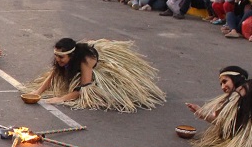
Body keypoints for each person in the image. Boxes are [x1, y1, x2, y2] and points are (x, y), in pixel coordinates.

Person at [27, 37, 165, 112]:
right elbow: (53, 75)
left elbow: (84, 89)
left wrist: (61, 98)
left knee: (89, 85)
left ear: (72, 55)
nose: (58, 60)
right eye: (56, 56)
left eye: (61, 58)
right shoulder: (61, 59)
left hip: (101, 65)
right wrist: (38, 92)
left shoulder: (85, 61)